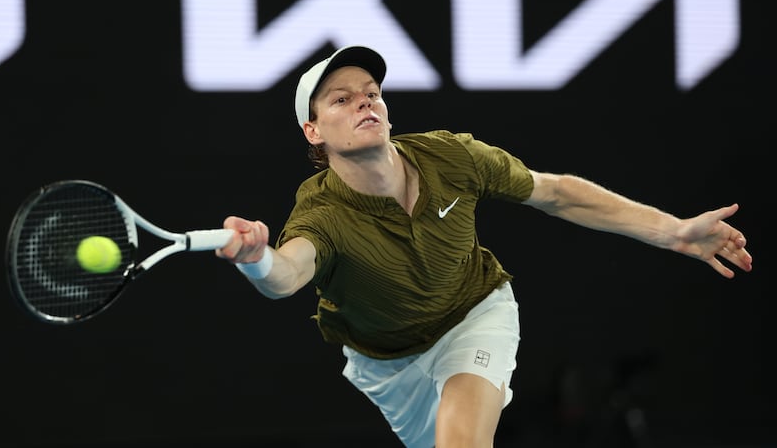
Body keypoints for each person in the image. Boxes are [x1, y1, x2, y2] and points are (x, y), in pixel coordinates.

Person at [215, 45, 753, 448]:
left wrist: (674, 231)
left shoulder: (452, 157)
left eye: (371, 93)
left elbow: (557, 193)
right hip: (390, 366)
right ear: (313, 131)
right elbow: (287, 275)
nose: (365, 102)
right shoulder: (322, 213)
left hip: (473, 315)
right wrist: (256, 259)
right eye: (342, 99)